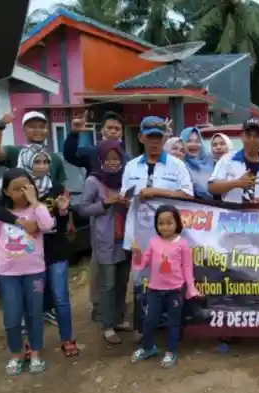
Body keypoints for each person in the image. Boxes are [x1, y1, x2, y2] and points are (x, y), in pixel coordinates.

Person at [120, 116, 194, 340]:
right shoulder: (132, 166)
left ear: (164, 138)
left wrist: (158, 192)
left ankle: (171, 329)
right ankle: (144, 329)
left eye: (158, 137)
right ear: (141, 137)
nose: (154, 142)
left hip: (169, 239)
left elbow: (188, 194)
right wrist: (125, 199)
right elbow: (125, 195)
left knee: (170, 280)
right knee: (142, 283)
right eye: (150, 137)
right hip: (138, 236)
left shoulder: (177, 165)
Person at [0, 169, 55, 375]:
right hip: (7, 275)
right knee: (12, 317)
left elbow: (48, 225)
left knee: (35, 314)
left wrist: (35, 202)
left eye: (26, 187)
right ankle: (16, 354)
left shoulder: (37, 210)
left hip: (34, 272)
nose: (22, 192)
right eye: (17, 189)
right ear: (6, 191)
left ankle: (35, 353)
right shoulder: (0, 216)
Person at [64, 110, 127, 323]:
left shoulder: (124, 155)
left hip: (121, 221)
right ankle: (99, 307)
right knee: (100, 267)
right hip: (101, 218)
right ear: (102, 130)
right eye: (109, 128)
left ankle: (116, 312)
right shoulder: (92, 153)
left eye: (117, 129)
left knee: (119, 271)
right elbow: (70, 155)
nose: (113, 132)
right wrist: (74, 134)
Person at [130, 205, 201, 368]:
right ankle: (148, 348)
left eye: (169, 222)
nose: (165, 226)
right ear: (156, 225)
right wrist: (137, 253)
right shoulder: (153, 242)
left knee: (173, 323)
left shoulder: (183, 244)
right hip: (154, 290)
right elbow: (142, 264)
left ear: (177, 223)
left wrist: (191, 288)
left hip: (175, 291)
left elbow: (187, 268)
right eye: (161, 223)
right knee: (149, 320)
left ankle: (171, 351)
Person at [77, 141, 131, 345]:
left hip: (124, 239)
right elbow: (82, 209)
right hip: (105, 240)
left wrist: (126, 202)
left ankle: (118, 319)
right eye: (108, 159)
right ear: (100, 160)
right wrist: (105, 203)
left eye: (116, 159)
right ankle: (107, 326)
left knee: (121, 282)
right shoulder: (94, 181)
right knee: (107, 284)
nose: (113, 163)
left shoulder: (124, 178)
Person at [0, 111, 66, 185]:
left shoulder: (55, 158)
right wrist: (0, 125)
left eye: (42, 127)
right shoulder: (15, 152)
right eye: (32, 127)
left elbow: (61, 187)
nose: (38, 130)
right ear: (23, 130)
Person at [208, 117, 259, 203]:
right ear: (242, 137)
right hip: (231, 214)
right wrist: (237, 183)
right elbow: (211, 187)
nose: (252, 140)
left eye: (257, 136)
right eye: (248, 135)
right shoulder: (227, 159)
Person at [179, 126, 215, 200]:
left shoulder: (210, 160)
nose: (194, 144)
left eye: (197, 141)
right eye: (189, 141)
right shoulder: (179, 163)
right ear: (182, 144)